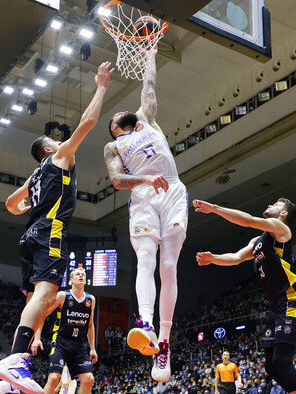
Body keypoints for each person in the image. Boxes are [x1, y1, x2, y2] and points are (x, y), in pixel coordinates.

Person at [0, 62, 113, 394]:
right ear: (49, 148)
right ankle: (14, 361)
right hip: (50, 230)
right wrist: (101, 86)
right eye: (54, 140)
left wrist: (30, 205)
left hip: (29, 234)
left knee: (37, 301)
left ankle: (10, 378)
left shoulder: (35, 175)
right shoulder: (59, 157)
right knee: (44, 297)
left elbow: (9, 204)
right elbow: (88, 123)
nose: (60, 141)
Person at [103, 45, 188, 383]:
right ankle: (146, 324)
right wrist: (144, 178)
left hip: (172, 192)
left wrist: (150, 52)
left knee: (168, 267)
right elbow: (116, 180)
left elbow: (149, 86)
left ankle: (164, 343)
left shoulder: (147, 121)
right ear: (113, 128)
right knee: (146, 262)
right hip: (141, 196)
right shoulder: (114, 147)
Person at [193, 198, 296, 394]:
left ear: (284, 214)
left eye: (276, 205)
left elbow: (247, 220)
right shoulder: (258, 242)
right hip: (276, 307)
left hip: (292, 301)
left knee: (281, 360)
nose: (270, 205)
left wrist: (214, 209)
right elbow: (237, 258)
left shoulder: (281, 230)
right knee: (271, 367)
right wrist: (213, 259)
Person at [34, 268, 97, 394]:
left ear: (85, 280)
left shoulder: (91, 300)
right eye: (78, 274)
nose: (81, 276)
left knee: (88, 379)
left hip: (78, 343)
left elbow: (90, 325)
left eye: (83, 274)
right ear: (71, 280)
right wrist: (37, 338)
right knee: (53, 378)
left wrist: (92, 348)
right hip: (61, 340)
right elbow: (43, 314)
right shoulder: (63, 296)